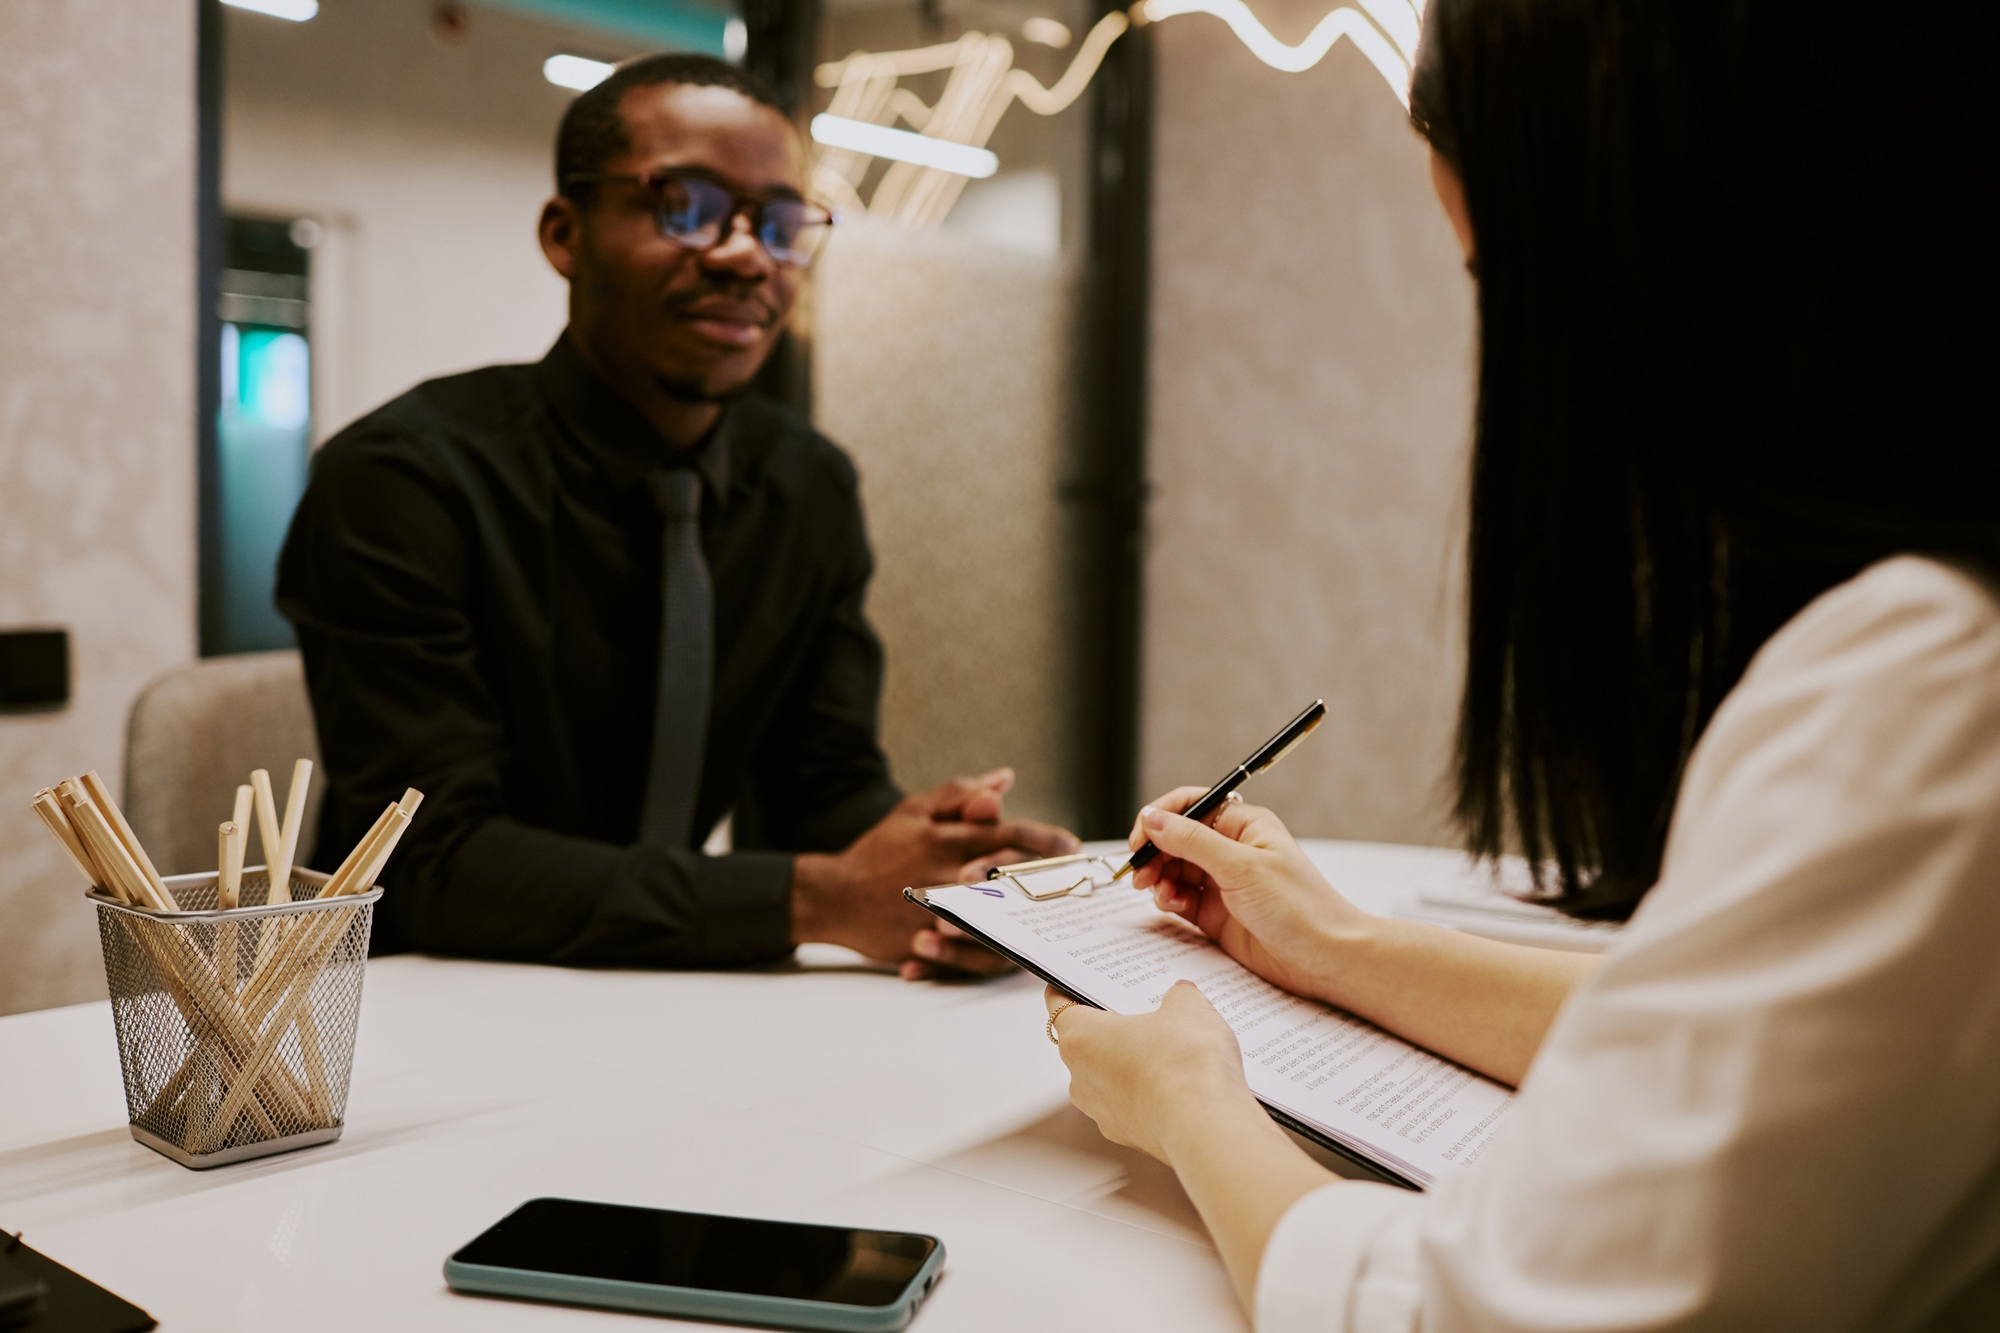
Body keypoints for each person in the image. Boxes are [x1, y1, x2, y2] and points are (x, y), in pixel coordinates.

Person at [1042, 1, 2000, 1328]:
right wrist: (1328, 943)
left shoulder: (1932, 684)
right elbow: (1755, 1029)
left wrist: (1189, 1100)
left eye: (1511, 290)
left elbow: (1472, 1316)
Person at [278, 54, 1074, 976]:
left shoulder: (806, 486)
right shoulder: (401, 479)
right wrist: (814, 898)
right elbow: (429, 863)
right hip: (431, 1009)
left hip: (682, 1000)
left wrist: (940, 875)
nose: (745, 257)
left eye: (781, 225)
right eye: (685, 206)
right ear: (565, 234)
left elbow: (824, 784)